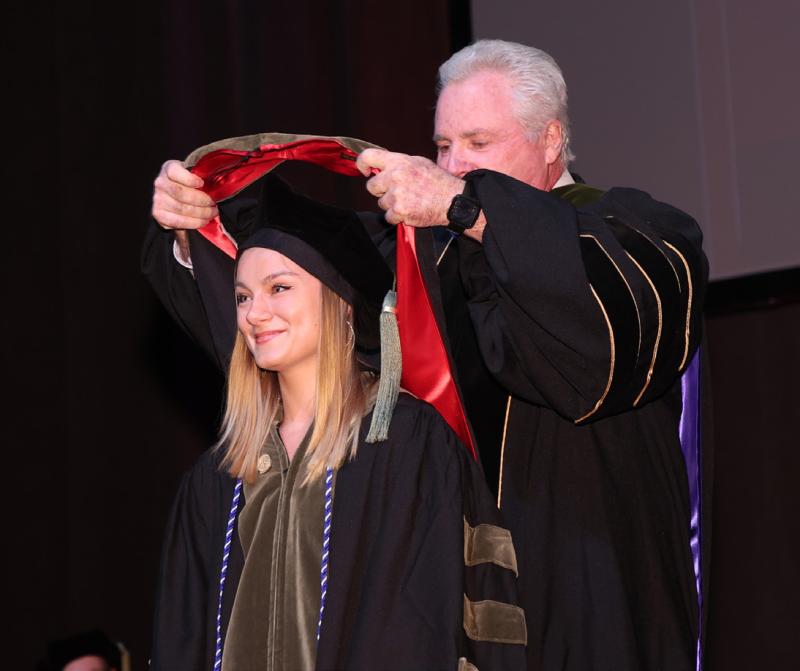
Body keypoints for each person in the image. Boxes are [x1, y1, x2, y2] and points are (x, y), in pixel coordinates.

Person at [145, 40, 710, 671]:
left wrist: (467, 208)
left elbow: (596, 343)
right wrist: (201, 215)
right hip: (445, 613)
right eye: (443, 146)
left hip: (587, 585)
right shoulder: (421, 259)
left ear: (551, 139)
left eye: (478, 142)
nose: (454, 163)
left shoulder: (632, 234)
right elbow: (296, 278)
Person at [148, 174, 527, 670]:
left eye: (278, 288)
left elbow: (425, 628)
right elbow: (182, 643)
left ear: (339, 303)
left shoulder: (404, 445)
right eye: (242, 297)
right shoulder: (218, 477)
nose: (254, 313)